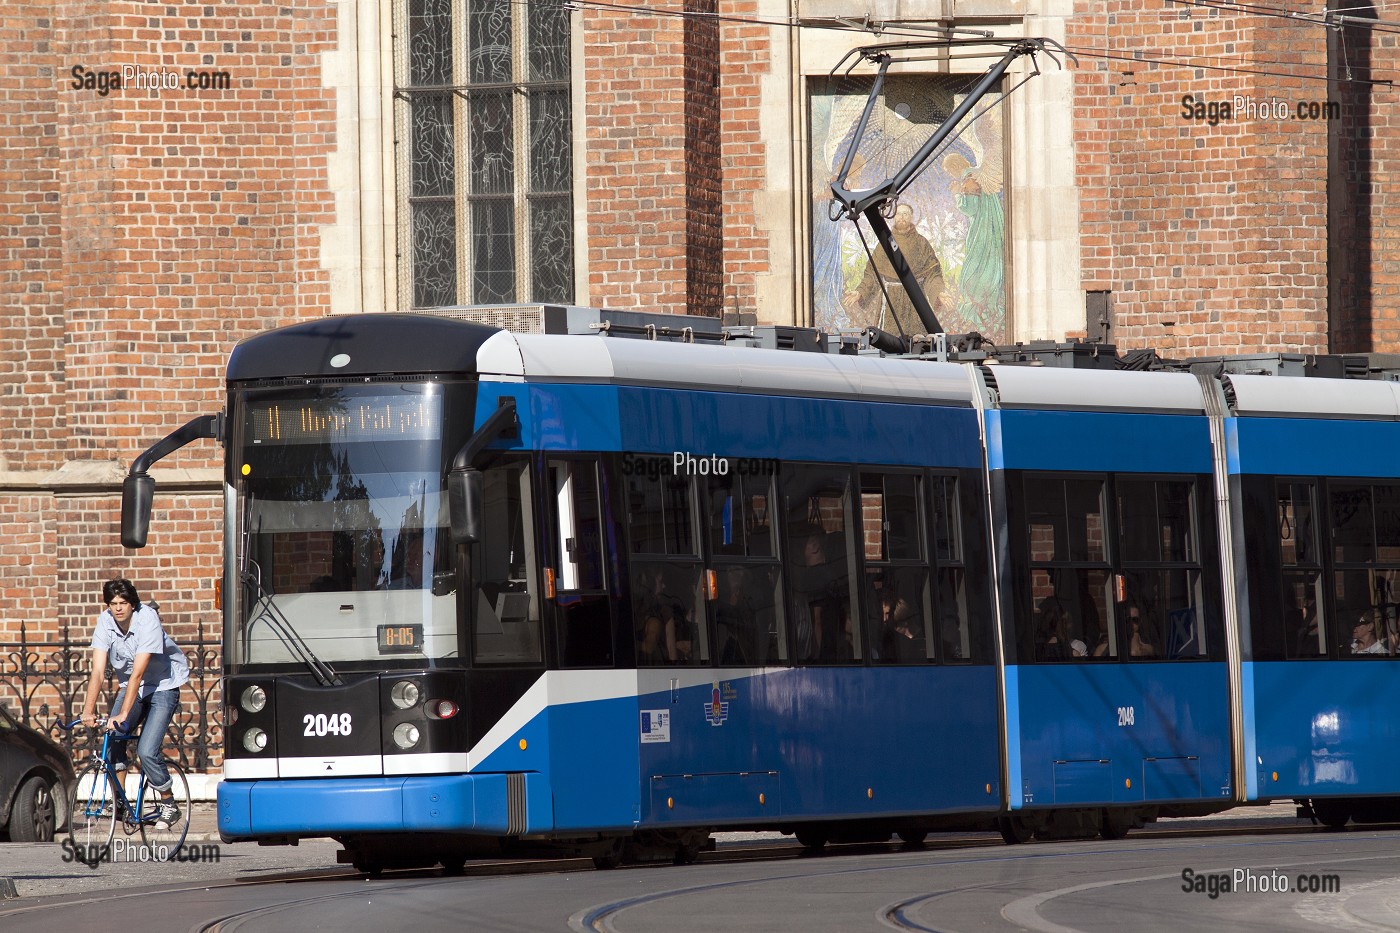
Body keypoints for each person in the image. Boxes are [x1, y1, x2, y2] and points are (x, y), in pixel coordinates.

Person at [80, 579, 189, 827]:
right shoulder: (105, 621)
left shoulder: (147, 618)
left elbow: (138, 674)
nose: (118, 608)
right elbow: (97, 671)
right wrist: (88, 710)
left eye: (123, 603)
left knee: (146, 750)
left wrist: (124, 715)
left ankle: (169, 802)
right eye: (113, 604)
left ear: (133, 604)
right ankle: (120, 803)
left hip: (162, 685)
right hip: (132, 686)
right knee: (113, 740)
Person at [842, 203, 945, 336]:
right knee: (890, 340)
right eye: (898, 213)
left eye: (905, 214)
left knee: (918, 341)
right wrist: (860, 292)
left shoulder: (922, 243)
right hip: (890, 300)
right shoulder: (884, 243)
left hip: (915, 302)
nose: (901, 217)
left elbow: (932, 274)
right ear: (893, 217)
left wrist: (939, 292)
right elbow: (872, 275)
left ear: (911, 217)